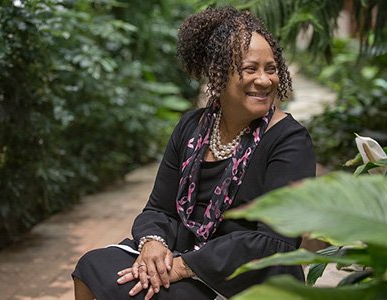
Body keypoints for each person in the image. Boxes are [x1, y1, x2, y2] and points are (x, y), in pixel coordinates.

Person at [72, 6, 316, 300]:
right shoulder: (192, 126)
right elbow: (160, 208)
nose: (264, 80)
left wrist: (185, 265)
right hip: (181, 250)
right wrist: (153, 243)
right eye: (250, 69)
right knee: (93, 266)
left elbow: (276, 240)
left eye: (271, 69)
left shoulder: (289, 139)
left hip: (247, 271)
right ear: (218, 75)